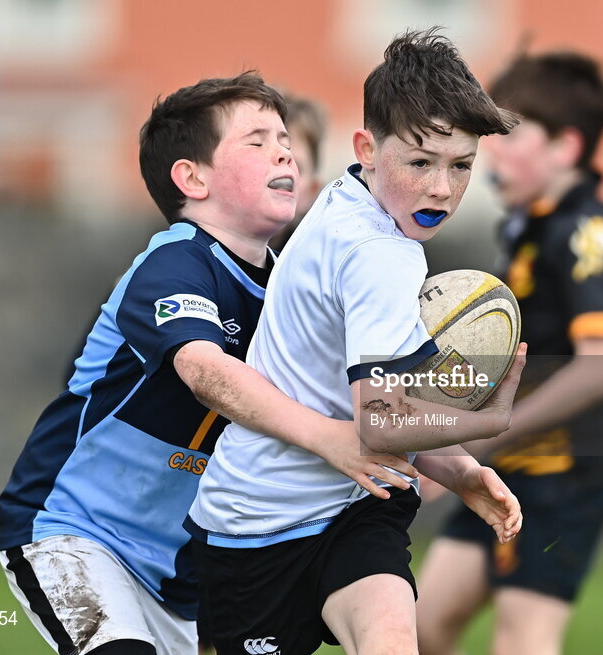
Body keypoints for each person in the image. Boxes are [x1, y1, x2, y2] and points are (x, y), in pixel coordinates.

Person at [0, 72, 418, 655]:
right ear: (191, 178)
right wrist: (330, 438)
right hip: (82, 538)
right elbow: (206, 373)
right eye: (257, 140)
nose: (284, 150)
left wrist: (463, 457)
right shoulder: (174, 265)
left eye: (284, 139)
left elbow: (373, 395)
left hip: (195, 566)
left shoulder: (293, 286)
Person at [186, 29, 525, 655]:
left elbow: (372, 415)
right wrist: (488, 420)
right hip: (258, 526)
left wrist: (459, 471)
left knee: (393, 640)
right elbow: (380, 422)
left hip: (358, 505)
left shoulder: (349, 202)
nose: (441, 191)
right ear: (367, 147)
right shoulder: (379, 252)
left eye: (461, 166)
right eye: (420, 162)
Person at [416, 51, 603, 655]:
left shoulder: (584, 231)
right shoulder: (528, 227)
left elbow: (601, 371)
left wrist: (481, 437)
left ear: (565, 147)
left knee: (522, 641)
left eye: (509, 134)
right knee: (420, 629)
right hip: (510, 469)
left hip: (561, 477)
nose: (493, 150)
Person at [268, 93, 328, 252]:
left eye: (297, 167)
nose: (282, 174)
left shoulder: (317, 260)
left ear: (312, 191)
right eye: (271, 160)